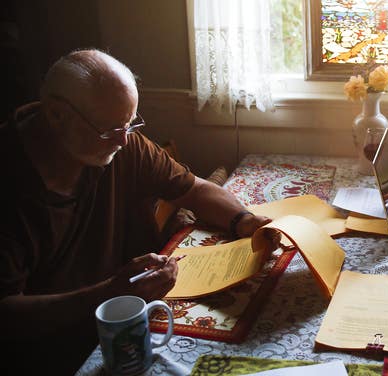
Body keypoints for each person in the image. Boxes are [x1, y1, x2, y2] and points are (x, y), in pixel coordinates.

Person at [0, 49, 273, 374]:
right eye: (109, 130)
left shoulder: (122, 143)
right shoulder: (12, 180)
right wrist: (108, 295)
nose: (123, 140)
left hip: (124, 321)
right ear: (57, 115)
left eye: (129, 124)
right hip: (51, 354)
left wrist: (243, 219)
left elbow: (194, 190)